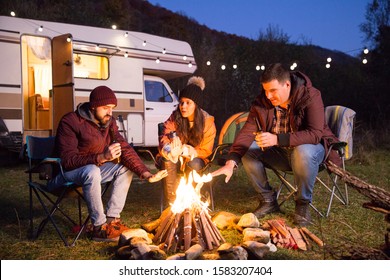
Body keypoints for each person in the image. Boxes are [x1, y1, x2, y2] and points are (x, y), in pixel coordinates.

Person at [212, 63, 341, 226]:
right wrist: (231, 162)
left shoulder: (310, 96)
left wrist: (276, 139)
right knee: (249, 150)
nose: (268, 95)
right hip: (282, 154)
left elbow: (315, 134)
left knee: (303, 151)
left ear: (287, 85)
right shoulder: (262, 102)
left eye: (273, 90)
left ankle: (302, 204)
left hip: (311, 152)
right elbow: (246, 132)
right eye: (265, 90)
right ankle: (268, 201)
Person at [48, 85, 167, 242]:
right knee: (92, 170)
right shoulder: (70, 121)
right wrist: (101, 157)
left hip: (92, 172)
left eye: (112, 108)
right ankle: (99, 227)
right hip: (64, 174)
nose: (110, 112)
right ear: (93, 106)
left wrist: (145, 173)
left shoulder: (109, 123)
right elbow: (68, 160)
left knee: (125, 168)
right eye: (105, 108)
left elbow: (124, 148)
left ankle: (112, 221)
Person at [158, 76, 216, 205]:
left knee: (194, 163)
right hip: (176, 157)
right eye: (181, 102)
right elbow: (165, 136)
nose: (183, 106)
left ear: (196, 105)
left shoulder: (207, 122)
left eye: (188, 103)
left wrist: (186, 151)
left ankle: (192, 202)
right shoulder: (175, 117)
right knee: (168, 159)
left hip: (197, 158)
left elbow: (206, 150)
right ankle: (172, 203)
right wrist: (170, 150)